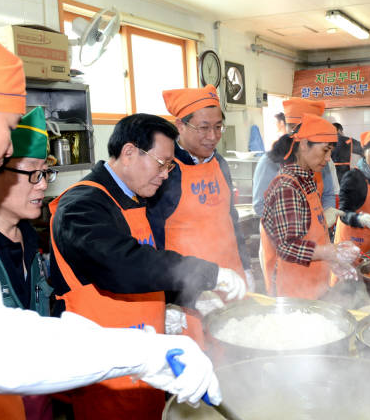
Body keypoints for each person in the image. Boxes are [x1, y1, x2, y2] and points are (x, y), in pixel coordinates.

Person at [0, 20, 219, 420]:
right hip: (91, 388)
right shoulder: (81, 204)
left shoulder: (138, 198)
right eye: (9, 129)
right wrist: (145, 351)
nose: (9, 146)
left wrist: (156, 329)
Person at [49, 113, 244, 419]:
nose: (166, 174)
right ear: (129, 153)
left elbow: (149, 271)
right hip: (107, 376)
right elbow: (123, 265)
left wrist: (182, 300)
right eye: (162, 163)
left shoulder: (132, 198)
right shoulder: (81, 206)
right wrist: (208, 274)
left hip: (146, 362)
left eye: (169, 166)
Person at [0, 107, 56, 419]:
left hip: (38, 397)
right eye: (32, 173)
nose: (43, 184)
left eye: (45, 172)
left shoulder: (34, 240)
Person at [148, 85, 251, 345]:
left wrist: (247, 266)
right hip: (189, 293)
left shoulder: (221, 164)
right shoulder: (166, 172)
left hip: (230, 282)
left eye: (218, 127)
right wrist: (171, 299)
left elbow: (231, 219)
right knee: (197, 365)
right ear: (180, 126)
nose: (213, 136)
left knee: (234, 358)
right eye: (204, 127)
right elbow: (152, 239)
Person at [260, 113, 360, 299]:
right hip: (291, 290)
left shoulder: (307, 180)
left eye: (331, 152)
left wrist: (330, 260)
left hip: (314, 285)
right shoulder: (287, 188)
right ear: (304, 145)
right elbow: (288, 247)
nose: (329, 158)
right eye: (325, 150)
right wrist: (330, 252)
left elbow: (310, 236)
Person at [252, 98, 338, 225]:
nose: (295, 135)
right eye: (292, 128)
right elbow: (260, 205)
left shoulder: (322, 162)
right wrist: (304, 224)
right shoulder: (269, 162)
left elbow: (328, 194)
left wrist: (325, 217)